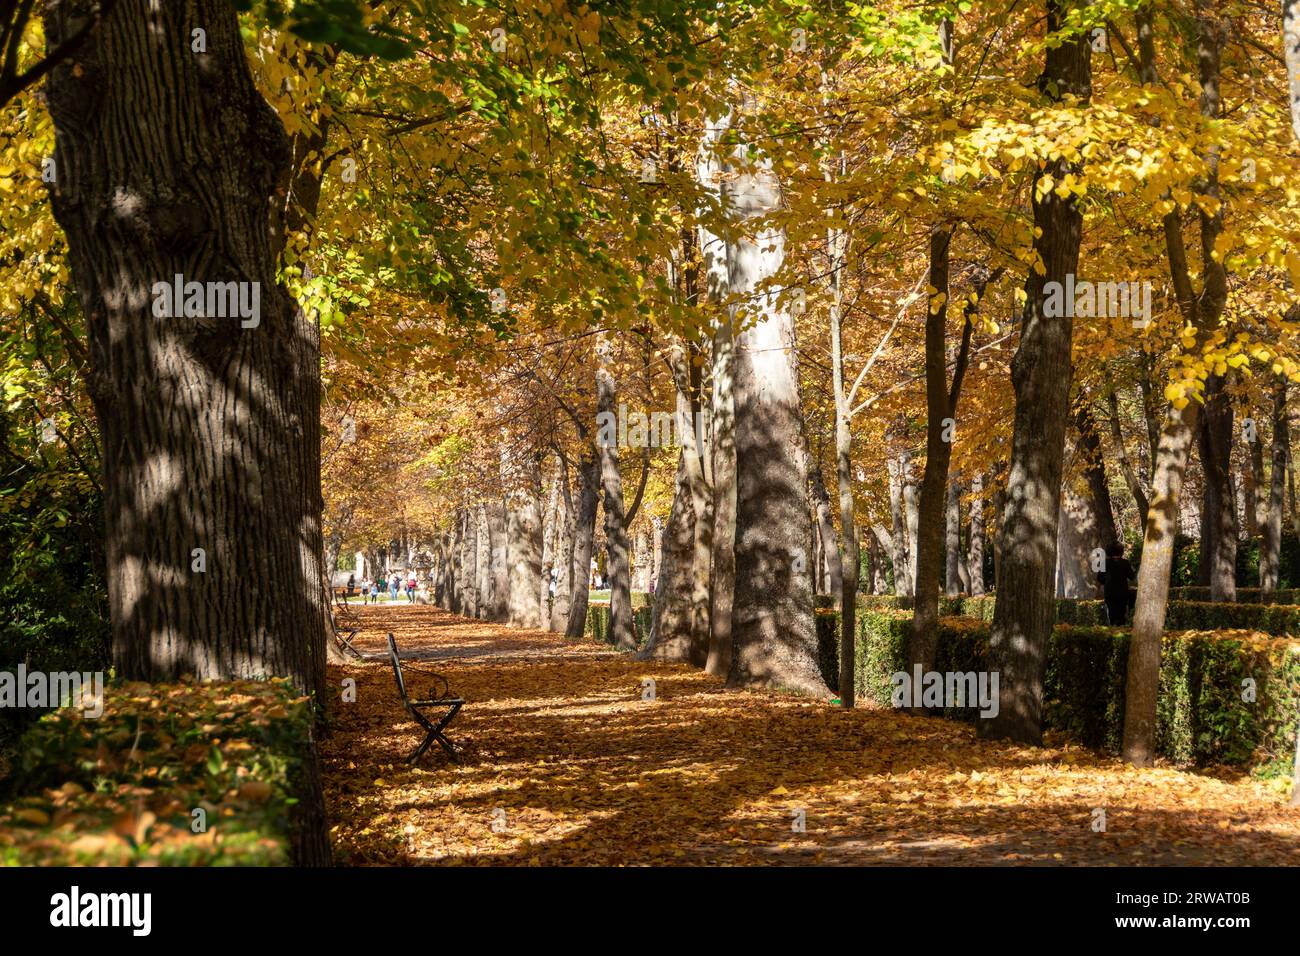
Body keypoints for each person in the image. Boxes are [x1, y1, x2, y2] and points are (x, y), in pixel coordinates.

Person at [1095, 542, 1136, 625]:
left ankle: (1113, 628)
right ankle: (1121, 629)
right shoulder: (1125, 563)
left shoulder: (1104, 563)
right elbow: (1132, 577)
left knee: (1112, 612)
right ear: (1121, 551)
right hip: (1123, 592)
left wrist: (1106, 581)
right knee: (1122, 613)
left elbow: (1099, 578)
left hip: (1110, 592)